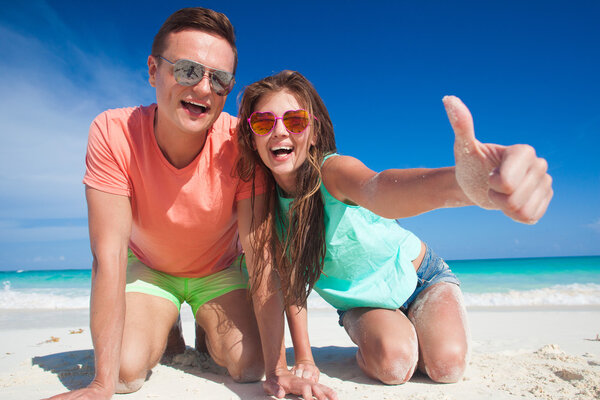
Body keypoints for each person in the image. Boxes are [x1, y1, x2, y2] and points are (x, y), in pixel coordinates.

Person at [45, 8, 335, 400]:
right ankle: (167, 324)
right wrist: (99, 384)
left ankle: (203, 323)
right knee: (124, 375)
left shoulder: (239, 142)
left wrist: (277, 369)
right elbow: (108, 255)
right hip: (149, 268)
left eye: (219, 79)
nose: (203, 88)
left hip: (218, 270)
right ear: (152, 70)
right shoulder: (113, 133)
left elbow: (261, 254)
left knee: (250, 368)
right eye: (186, 70)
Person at [236, 70, 553, 387]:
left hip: (421, 279)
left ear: (314, 133)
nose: (279, 132)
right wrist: (304, 360)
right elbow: (291, 286)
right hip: (364, 305)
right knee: (394, 365)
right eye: (264, 123)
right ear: (253, 136)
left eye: (294, 121)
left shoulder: (333, 171)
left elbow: (380, 188)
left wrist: (463, 184)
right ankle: (392, 335)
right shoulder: (264, 211)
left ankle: (417, 329)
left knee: (447, 367)